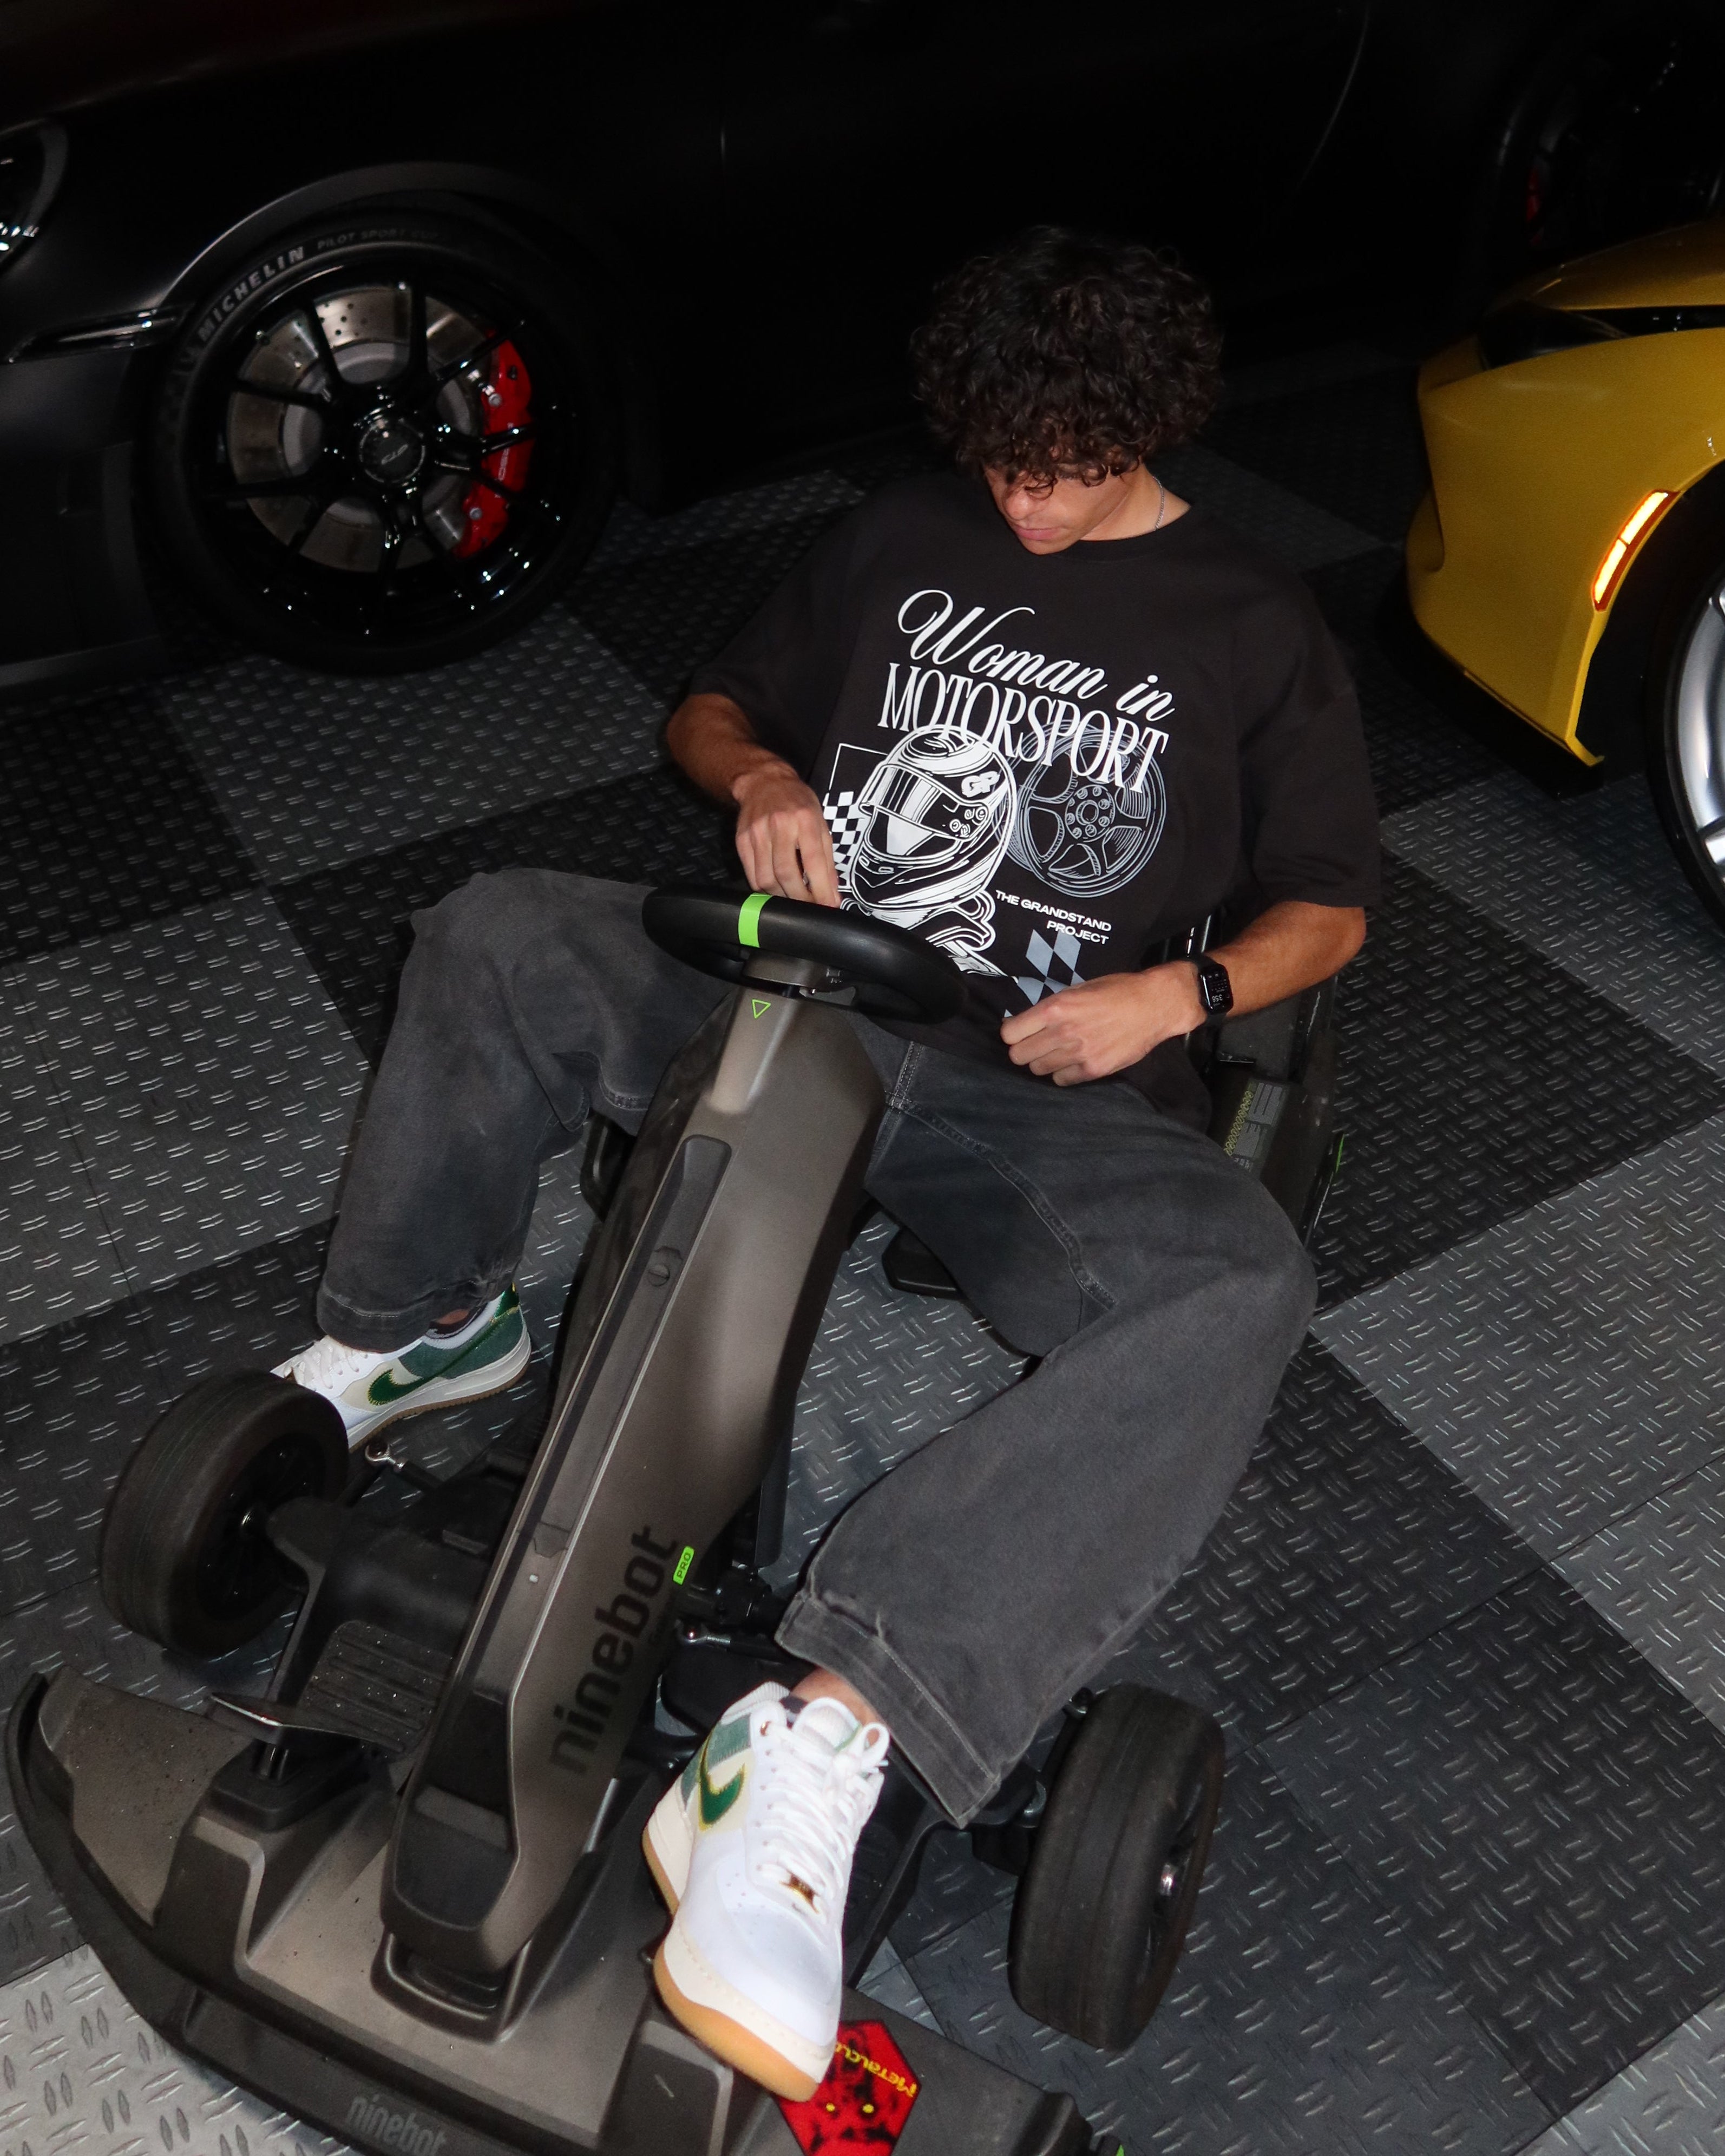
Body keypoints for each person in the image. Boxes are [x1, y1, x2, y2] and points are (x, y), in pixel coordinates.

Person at [273, 227, 1378, 2100]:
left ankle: (830, 1724)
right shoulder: (904, 534)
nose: (1023, 505)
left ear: (1148, 430)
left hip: (1032, 1074)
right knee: (497, 928)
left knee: (1239, 1283)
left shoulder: (1250, 626)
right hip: (793, 992)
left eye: (1064, 473)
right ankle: (424, 1324)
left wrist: (1173, 997)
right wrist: (765, 782)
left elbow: (1329, 909)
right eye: (1000, 464)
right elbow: (711, 713)